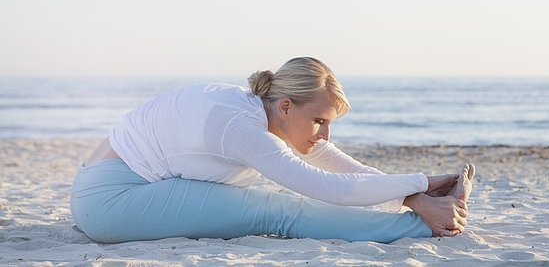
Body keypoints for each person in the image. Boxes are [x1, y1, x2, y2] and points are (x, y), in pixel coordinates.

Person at [70, 57, 475, 244]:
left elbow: (339, 168)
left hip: (103, 188)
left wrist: (414, 194)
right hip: (114, 202)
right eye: (320, 121)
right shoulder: (241, 127)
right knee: (278, 211)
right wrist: (422, 187)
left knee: (273, 203)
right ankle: (421, 228)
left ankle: (426, 214)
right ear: (286, 106)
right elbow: (326, 189)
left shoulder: (257, 111)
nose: (326, 134)